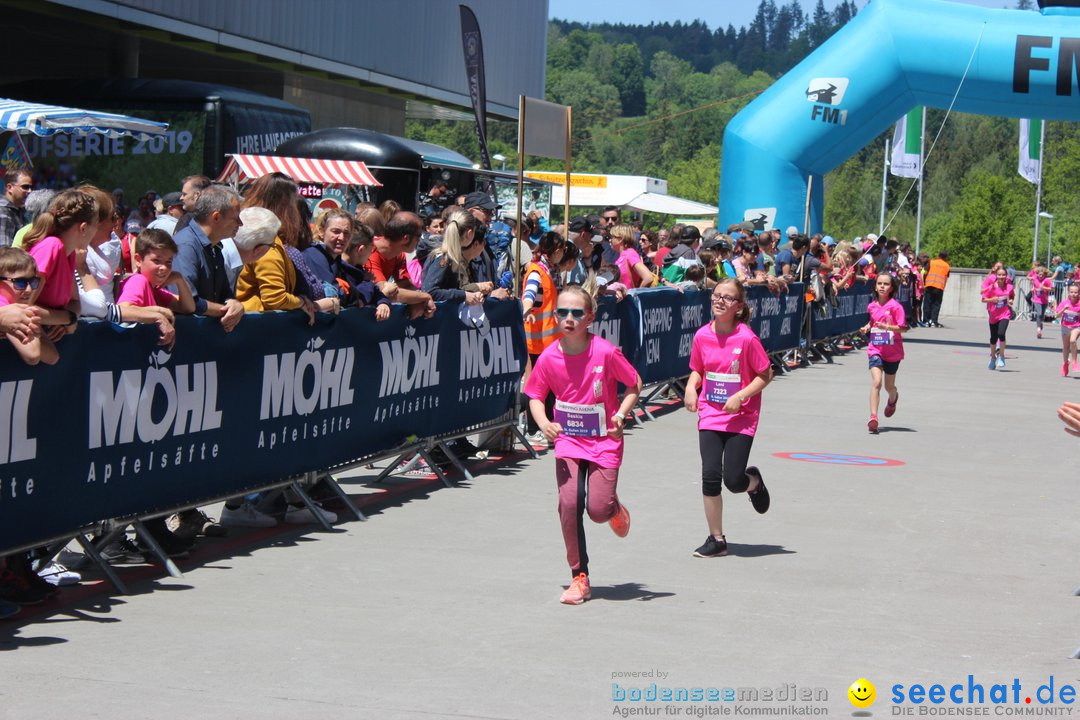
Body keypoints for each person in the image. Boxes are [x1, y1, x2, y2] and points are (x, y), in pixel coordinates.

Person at [524, 285, 642, 605]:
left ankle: (613, 507)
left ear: (590, 317)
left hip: (604, 440)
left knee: (598, 511)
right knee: (569, 503)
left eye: (577, 312)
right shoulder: (549, 356)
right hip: (569, 441)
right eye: (562, 312)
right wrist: (544, 422)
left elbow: (634, 384)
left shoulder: (605, 352)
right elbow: (535, 395)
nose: (569, 318)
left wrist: (620, 413)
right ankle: (579, 575)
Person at [684, 278, 773, 558]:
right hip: (711, 413)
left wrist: (741, 396)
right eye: (716, 295)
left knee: (733, 481)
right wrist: (690, 387)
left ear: (739, 307)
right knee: (710, 476)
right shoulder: (702, 335)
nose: (720, 300)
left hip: (741, 416)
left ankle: (754, 482)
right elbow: (698, 369)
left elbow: (765, 374)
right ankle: (717, 539)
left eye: (728, 298)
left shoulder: (746, 338)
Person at [858, 273, 907, 433]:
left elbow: (903, 327)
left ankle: (893, 399)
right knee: (877, 382)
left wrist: (888, 328)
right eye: (879, 283)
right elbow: (873, 321)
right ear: (875, 286)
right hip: (875, 348)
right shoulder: (871, 306)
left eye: (886, 284)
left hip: (893, 352)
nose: (882, 286)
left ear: (891, 287)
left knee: (889, 386)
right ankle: (873, 417)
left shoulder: (896, 306)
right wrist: (867, 327)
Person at [116, 229, 197, 320]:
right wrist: (160, 311)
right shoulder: (138, 281)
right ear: (138, 260)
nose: (164, 267)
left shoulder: (155, 289)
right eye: (156, 260)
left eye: (168, 262)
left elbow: (189, 308)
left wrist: (179, 279)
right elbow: (123, 309)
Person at [0, 247, 57, 365]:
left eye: (33, 282)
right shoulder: (4, 305)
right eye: (20, 282)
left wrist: (33, 329)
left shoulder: (18, 308)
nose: (29, 289)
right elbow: (33, 356)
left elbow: (53, 357)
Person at [981, 266, 1014, 370]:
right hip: (994, 314)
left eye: (1003, 275)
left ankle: (1002, 356)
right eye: (999, 275)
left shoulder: (1009, 287)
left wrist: (1011, 301)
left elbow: (1012, 296)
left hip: (1005, 313)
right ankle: (993, 358)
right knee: (993, 338)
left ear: (1006, 276)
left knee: (1001, 333)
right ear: (996, 276)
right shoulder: (991, 287)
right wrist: (992, 299)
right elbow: (983, 299)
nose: (1001, 276)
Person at [609, 224, 653, 288]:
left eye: (612, 237)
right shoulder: (623, 255)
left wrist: (635, 294)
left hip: (628, 297)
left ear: (620, 239)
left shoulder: (630, 254)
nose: (610, 240)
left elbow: (648, 278)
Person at [0, 170, 32, 247]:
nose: (30, 191)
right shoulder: (3, 211)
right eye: (25, 187)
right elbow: (4, 251)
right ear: (10, 188)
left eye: (30, 187)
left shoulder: (21, 210)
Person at [1055, 283, 1080, 377]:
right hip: (1065, 327)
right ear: (1068, 293)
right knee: (1066, 347)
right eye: (1071, 292)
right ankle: (1065, 364)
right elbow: (1057, 316)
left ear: (1079, 293)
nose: (1074, 294)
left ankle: (1074, 362)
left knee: (1073, 341)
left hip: (1076, 327)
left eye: (1076, 292)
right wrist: (1063, 310)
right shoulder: (1064, 302)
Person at [923, 251, 950, 327]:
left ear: (938, 255)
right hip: (939, 287)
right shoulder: (947, 266)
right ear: (946, 257)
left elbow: (924, 272)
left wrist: (923, 281)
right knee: (936, 305)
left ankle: (926, 321)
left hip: (929, 285)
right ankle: (934, 321)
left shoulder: (931, 262)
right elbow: (947, 276)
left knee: (927, 303)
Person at [1031, 266, 1053, 338]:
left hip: (1044, 300)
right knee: (1039, 313)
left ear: (1045, 275)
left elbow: (1051, 289)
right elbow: (1034, 285)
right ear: (1037, 274)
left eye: (1042, 275)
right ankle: (1038, 329)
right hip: (1036, 299)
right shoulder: (1035, 278)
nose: (1040, 276)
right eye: (1039, 274)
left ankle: (1040, 324)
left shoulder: (1046, 280)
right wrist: (1033, 288)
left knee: (1042, 315)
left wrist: (1044, 288)